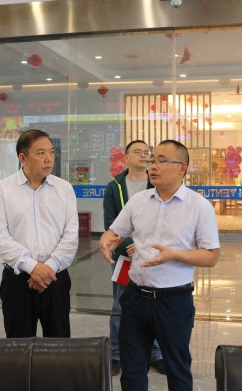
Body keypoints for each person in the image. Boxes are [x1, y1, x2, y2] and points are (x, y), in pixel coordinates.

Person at [100, 139, 220, 391]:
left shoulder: (199, 206)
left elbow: (211, 256)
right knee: (132, 371)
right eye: (152, 160)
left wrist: (174, 255)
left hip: (173, 301)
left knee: (177, 369)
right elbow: (115, 231)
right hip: (135, 298)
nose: (153, 166)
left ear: (182, 168)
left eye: (161, 161)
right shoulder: (139, 201)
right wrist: (108, 239)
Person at [0, 129, 78, 338]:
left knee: (58, 345)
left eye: (51, 152)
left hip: (55, 279)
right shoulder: (2, 190)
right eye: (41, 153)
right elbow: (0, 237)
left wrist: (47, 269)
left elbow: (71, 234)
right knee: (19, 345)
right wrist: (32, 267)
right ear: (23, 158)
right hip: (18, 280)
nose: (49, 158)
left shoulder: (64, 189)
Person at [103, 140, 165, 377]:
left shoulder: (157, 181)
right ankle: (116, 354)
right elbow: (111, 222)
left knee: (154, 303)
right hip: (124, 257)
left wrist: (142, 246)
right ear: (126, 157)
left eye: (147, 152)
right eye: (137, 151)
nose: (144, 155)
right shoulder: (114, 186)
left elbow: (162, 221)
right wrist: (129, 245)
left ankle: (156, 353)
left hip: (152, 256)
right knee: (120, 305)